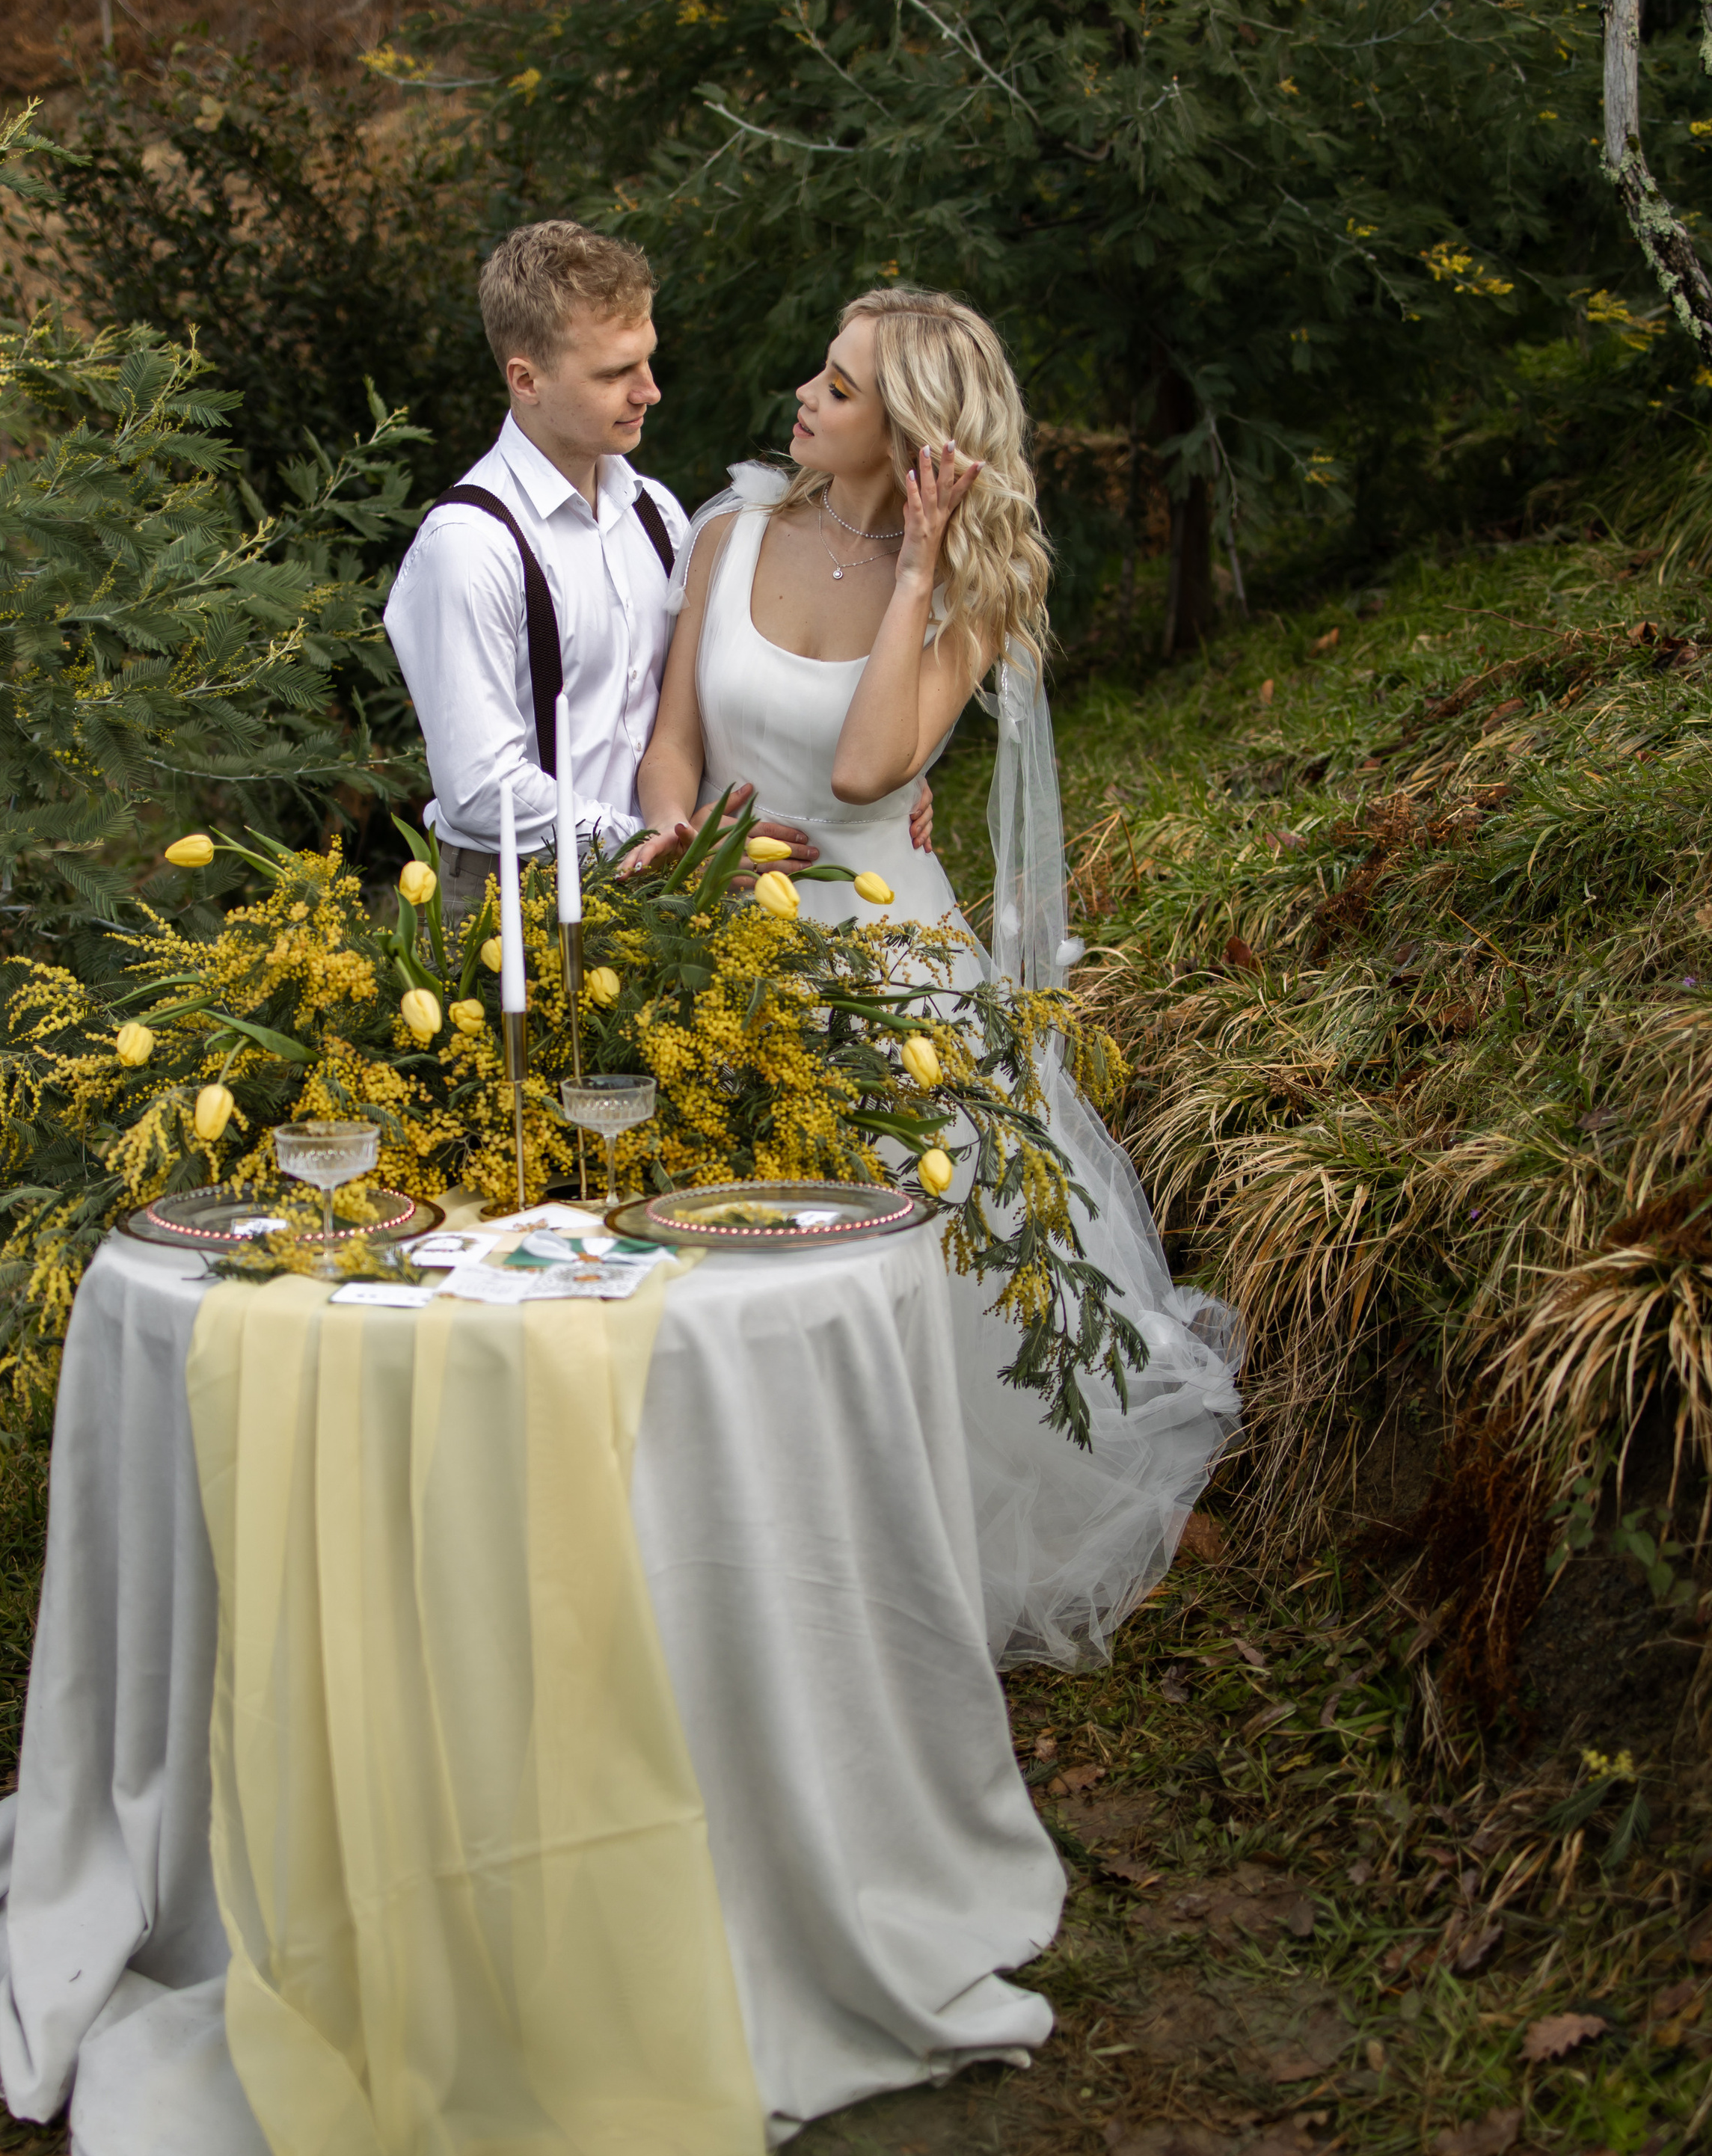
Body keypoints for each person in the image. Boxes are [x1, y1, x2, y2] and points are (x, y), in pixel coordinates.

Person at [631, 285, 1240, 1667]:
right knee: (717, 1269)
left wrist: (916, 568)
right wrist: (677, 830)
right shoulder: (728, 531)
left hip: (885, 971)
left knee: (898, 1280)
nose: (806, 396)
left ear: (906, 437)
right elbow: (673, 738)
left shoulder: (968, 587)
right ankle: (727, 1559)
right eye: (821, 373)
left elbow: (861, 774)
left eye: (840, 390)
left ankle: (881, 1575)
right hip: (715, 948)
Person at [382, 221, 930, 926]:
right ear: (526, 380)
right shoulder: (470, 546)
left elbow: (707, 699)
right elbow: (480, 788)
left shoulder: (657, 513)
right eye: (615, 373)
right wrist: (654, 844)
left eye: (647, 360)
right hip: (515, 902)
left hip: (662, 888)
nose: (651, 391)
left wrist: (887, 786)